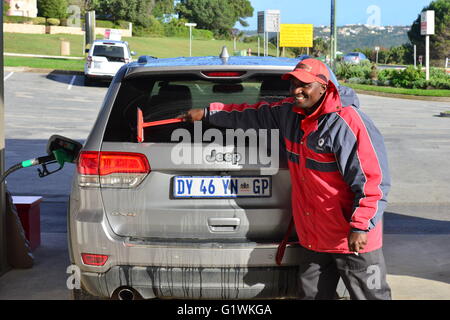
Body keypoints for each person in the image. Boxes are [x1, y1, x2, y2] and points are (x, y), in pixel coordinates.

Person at [179, 58, 392, 300]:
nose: (296, 91)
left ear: (324, 87)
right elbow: (250, 115)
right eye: (293, 84)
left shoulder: (348, 123)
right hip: (315, 235)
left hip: (351, 237)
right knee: (311, 295)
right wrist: (207, 114)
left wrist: (360, 225)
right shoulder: (289, 113)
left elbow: (373, 181)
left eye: (305, 85)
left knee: (370, 295)